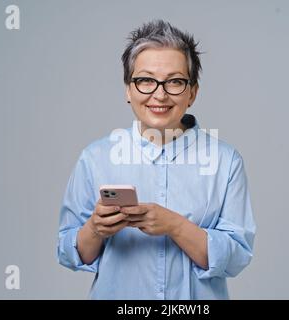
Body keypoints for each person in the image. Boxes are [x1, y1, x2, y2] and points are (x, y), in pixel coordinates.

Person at [57, 19, 256, 299]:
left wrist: (174, 225)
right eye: (145, 80)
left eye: (174, 81)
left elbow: (237, 257)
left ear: (192, 92)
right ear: (128, 89)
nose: (159, 94)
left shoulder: (226, 162)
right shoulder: (95, 158)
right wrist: (94, 229)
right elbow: (68, 252)